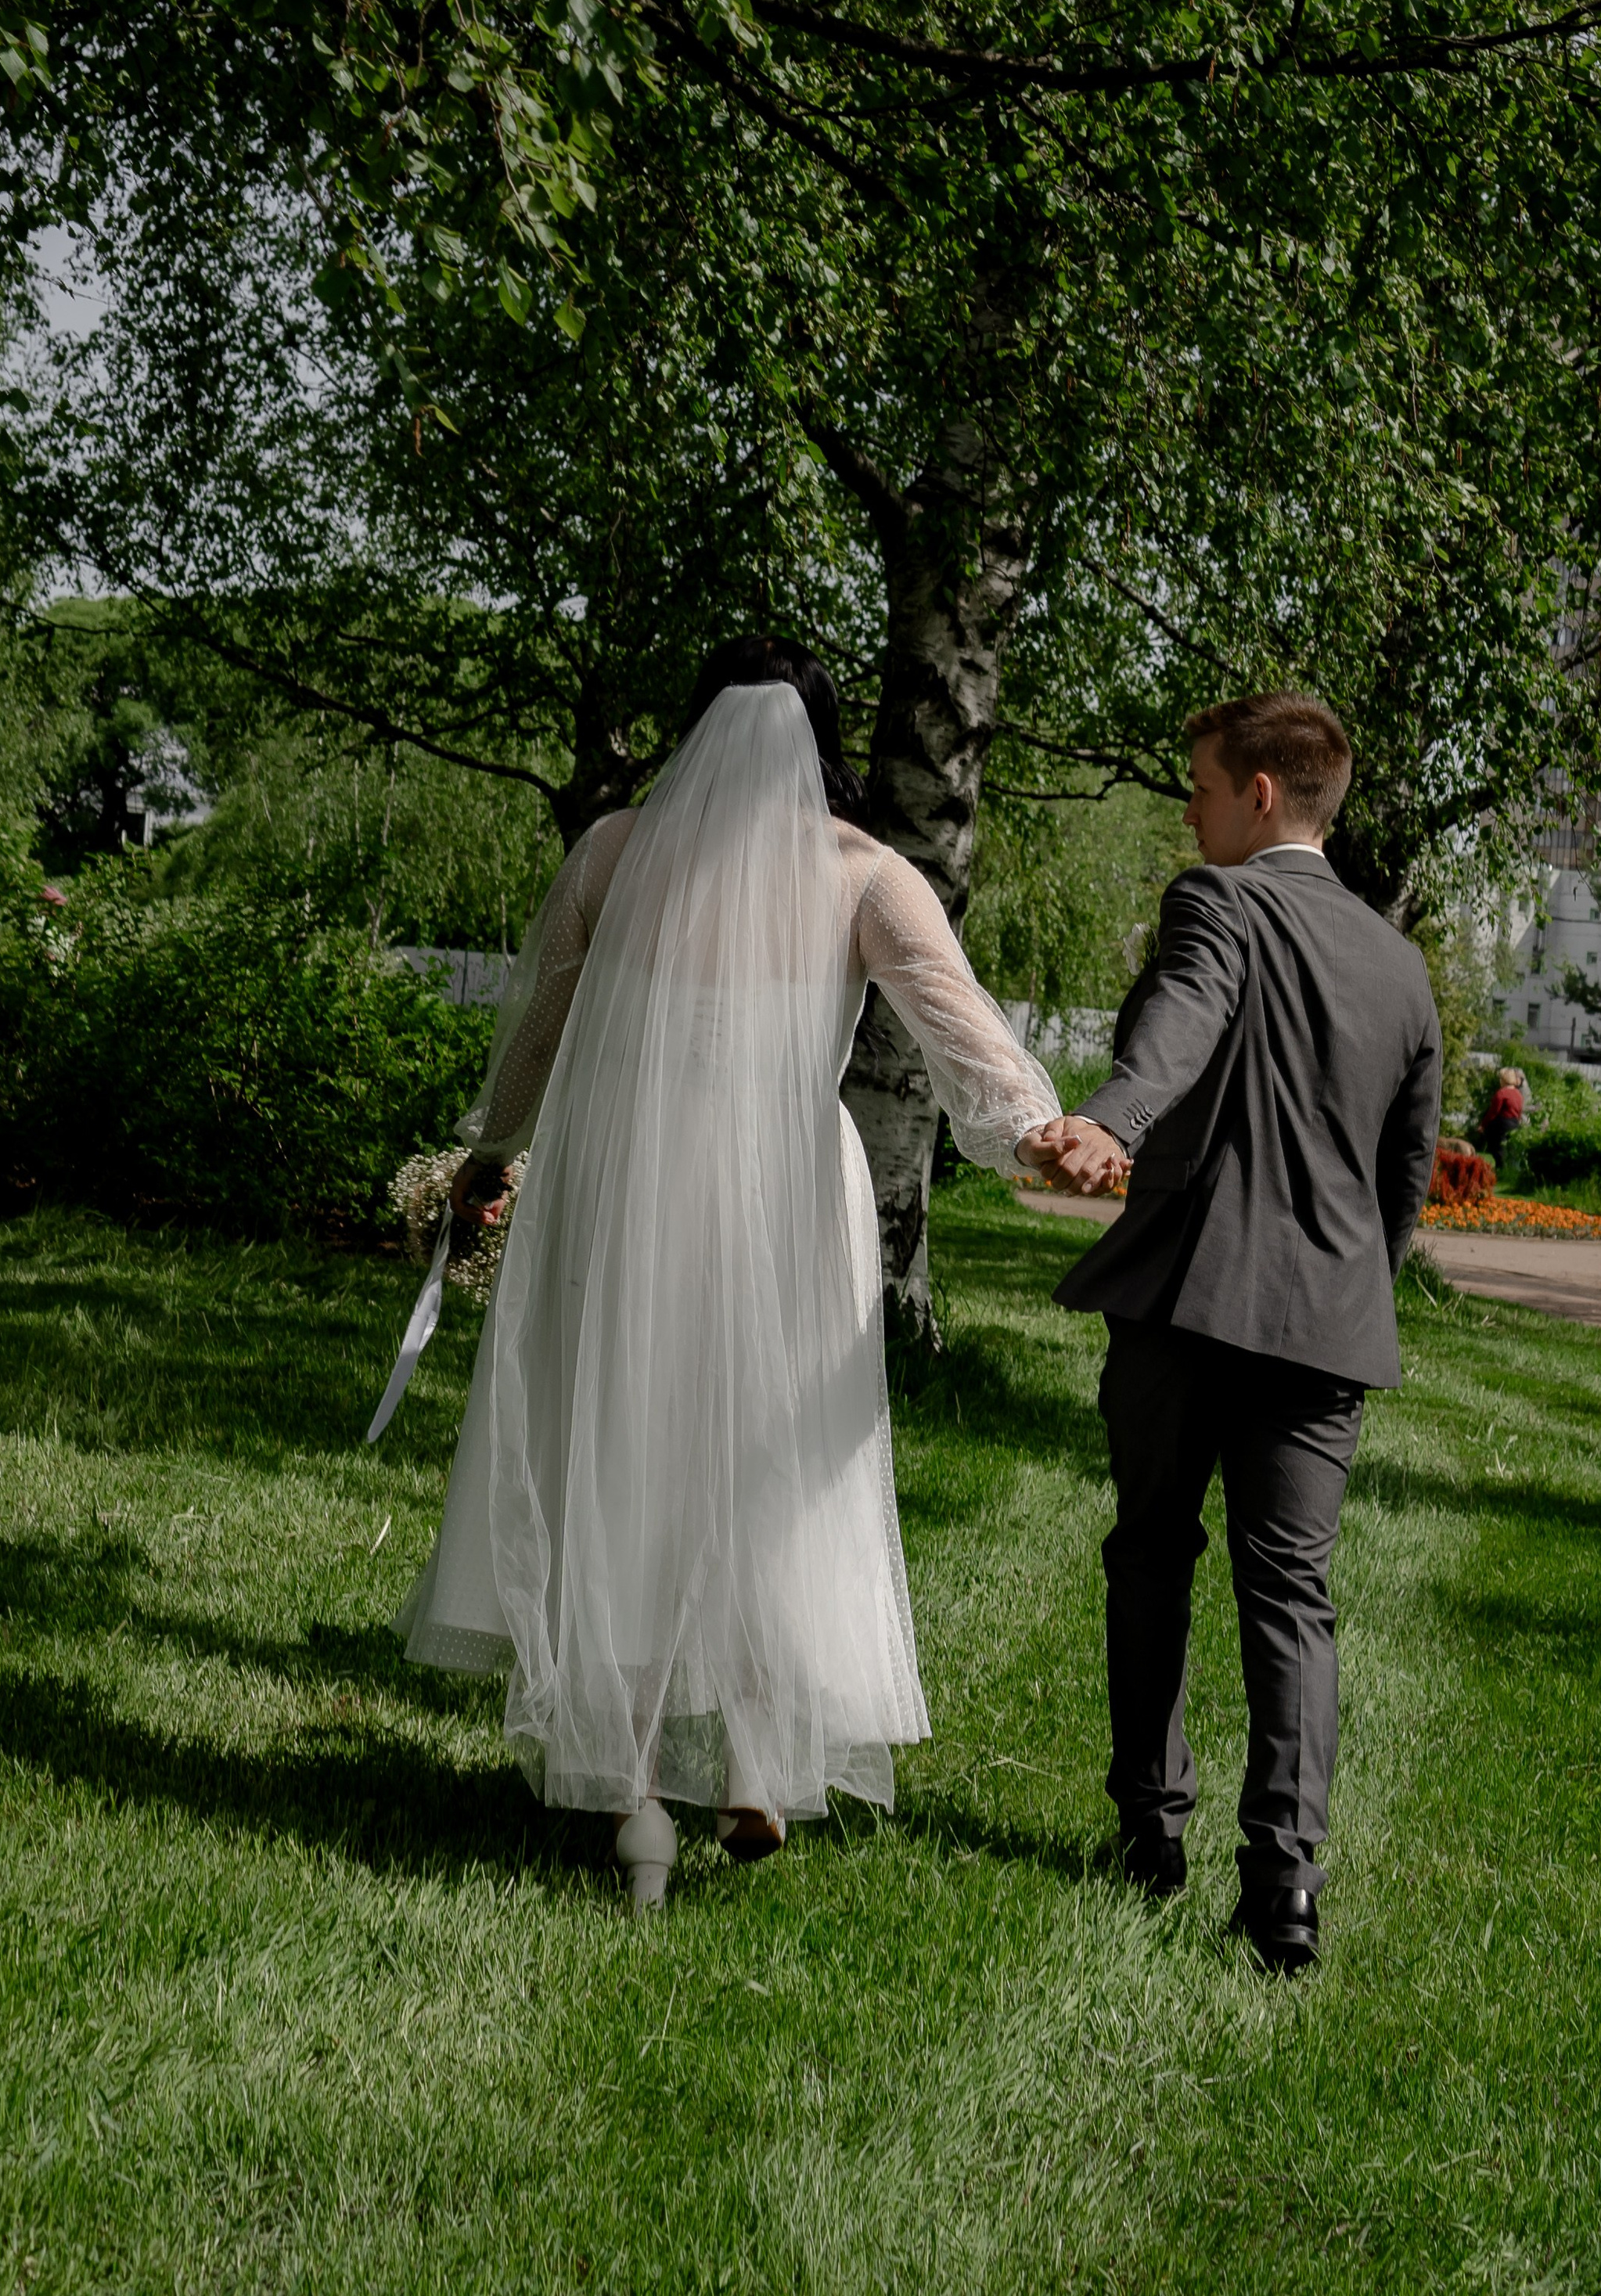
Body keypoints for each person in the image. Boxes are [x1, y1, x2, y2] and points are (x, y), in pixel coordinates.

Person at [393, 636, 1076, 1905]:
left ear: (695, 733)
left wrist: (491, 1154)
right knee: (762, 1470)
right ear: (821, 747)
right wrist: (1042, 1134)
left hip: (625, 1191)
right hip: (780, 1204)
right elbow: (968, 1043)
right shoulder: (867, 874)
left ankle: (638, 1797)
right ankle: (761, 1764)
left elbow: (538, 1030)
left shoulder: (613, 855)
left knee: (634, 1461)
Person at [1034, 692, 1441, 1974]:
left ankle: (1151, 1838)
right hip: (1327, 1322)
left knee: (1153, 1553)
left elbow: (1183, 1021)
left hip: (1185, 1303)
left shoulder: (1217, 905)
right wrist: (1350, 1287)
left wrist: (1116, 1117)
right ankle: (1286, 1892)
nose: (1190, 809)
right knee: (1294, 1601)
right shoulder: (1402, 965)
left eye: (1201, 786)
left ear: (1262, 792)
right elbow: (1407, 1175)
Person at [1476, 1066, 1527, 1169]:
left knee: (1496, 1145)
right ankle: (1508, 1168)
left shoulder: (1502, 1093)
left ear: (1503, 1080)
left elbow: (1493, 1112)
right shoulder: (1519, 1094)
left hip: (1502, 1124)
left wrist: (1483, 1125)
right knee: (1510, 1148)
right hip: (1515, 1123)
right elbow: (1520, 1111)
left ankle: (1500, 1166)